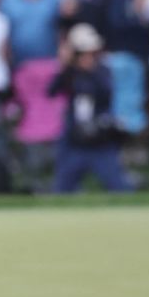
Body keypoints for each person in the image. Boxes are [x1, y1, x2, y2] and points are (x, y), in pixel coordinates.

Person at [49, 25, 132, 194]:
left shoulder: (102, 71)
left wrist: (89, 71)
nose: (88, 58)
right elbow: (51, 90)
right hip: (74, 139)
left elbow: (105, 92)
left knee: (119, 188)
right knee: (61, 189)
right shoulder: (71, 73)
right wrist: (66, 65)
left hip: (100, 138)